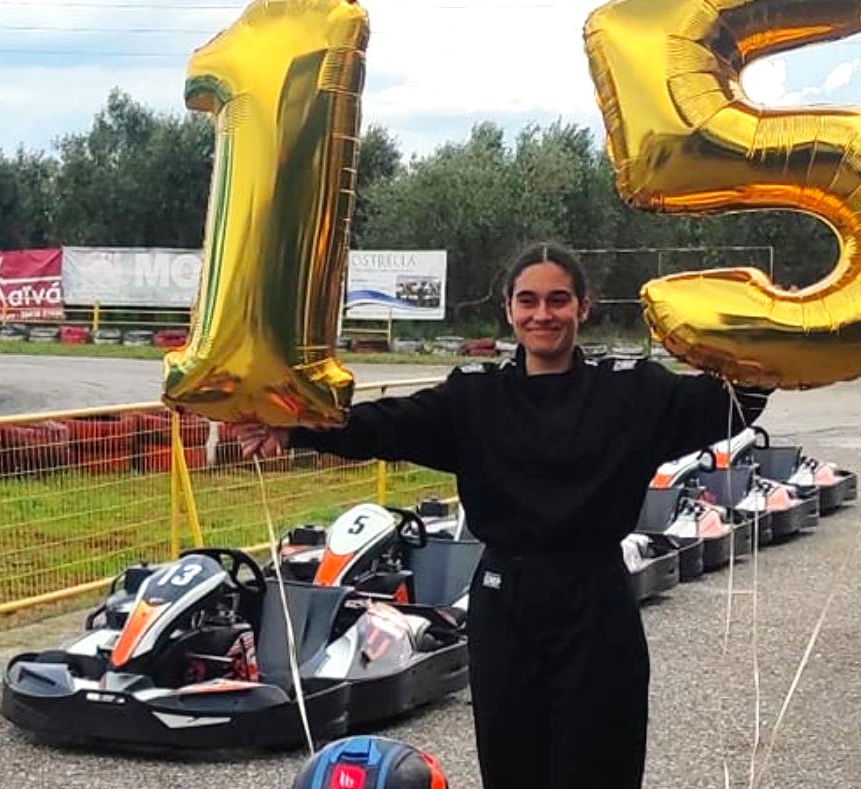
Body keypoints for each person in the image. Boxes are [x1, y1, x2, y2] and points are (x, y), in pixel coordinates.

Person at [233, 243, 770, 789]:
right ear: (509, 310)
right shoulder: (473, 398)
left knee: (604, 761)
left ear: (582, 308)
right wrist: (290, 428)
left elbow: (725, 405)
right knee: (514, 764)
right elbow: (385, 424)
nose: (543, 315)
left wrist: (775, 347)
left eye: (559, 300)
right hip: (505, 603)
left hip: (597, 603)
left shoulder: (631, 390)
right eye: (528, 301)